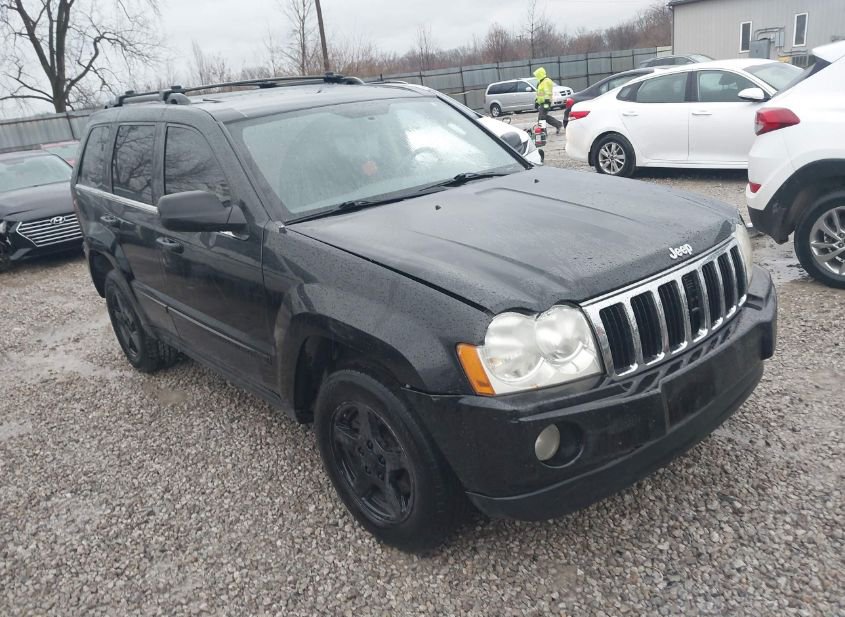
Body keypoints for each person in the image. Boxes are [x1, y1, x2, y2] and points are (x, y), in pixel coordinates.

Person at [533, 67, 563, 135]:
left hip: (546, 102)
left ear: (540, 74)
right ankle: (557, 124)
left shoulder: (546, 81)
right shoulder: (540, 82)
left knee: (541, 117)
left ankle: (543, 132)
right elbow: (540, 93)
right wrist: (537, 101)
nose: (536, 76)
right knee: (543, 116)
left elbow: (547, 91)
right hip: (542, 102)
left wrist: (546, 100)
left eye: (537, 75)